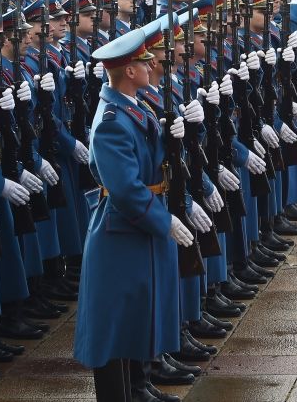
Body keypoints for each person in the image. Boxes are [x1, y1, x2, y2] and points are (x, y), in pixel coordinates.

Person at [73, 26, 191, 402]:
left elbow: (154, 164)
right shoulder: (111, 121)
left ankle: (138, 389)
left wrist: (172, 138)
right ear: (128, 71)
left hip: (136, 228)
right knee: (114, 327)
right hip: (121, 231)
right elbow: (124, 188)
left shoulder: (134, 107)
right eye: (144, 61)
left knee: (137, 317)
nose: (153, 64)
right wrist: (164, 220)